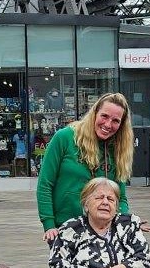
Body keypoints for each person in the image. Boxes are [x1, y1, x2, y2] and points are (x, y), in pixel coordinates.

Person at [38, 92, 135, 242]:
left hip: (104, 231)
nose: (108, 125)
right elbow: (45, 184)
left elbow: (120, 196)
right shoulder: (65, 138)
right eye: (104, 116)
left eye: (116, 120)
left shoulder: (117, 149)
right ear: (94, 113)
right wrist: (49, 224)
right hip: (65, 230)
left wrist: (126, 221)